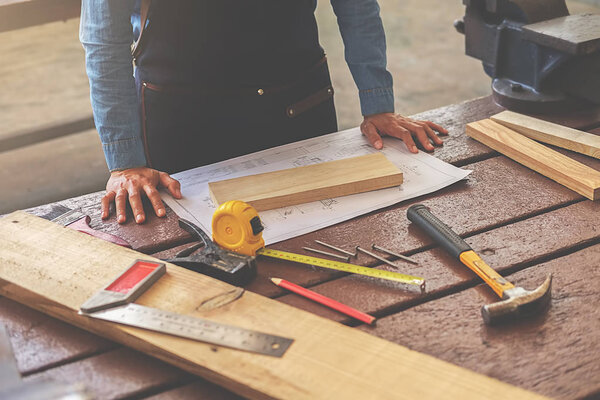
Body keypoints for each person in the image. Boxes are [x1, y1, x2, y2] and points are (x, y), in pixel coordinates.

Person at [80, 0, 448, 225]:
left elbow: (357, 5)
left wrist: (378, 102)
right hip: (183, 124)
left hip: (300, 109)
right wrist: (125, 161)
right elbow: (104, 40)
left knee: (336, 245)